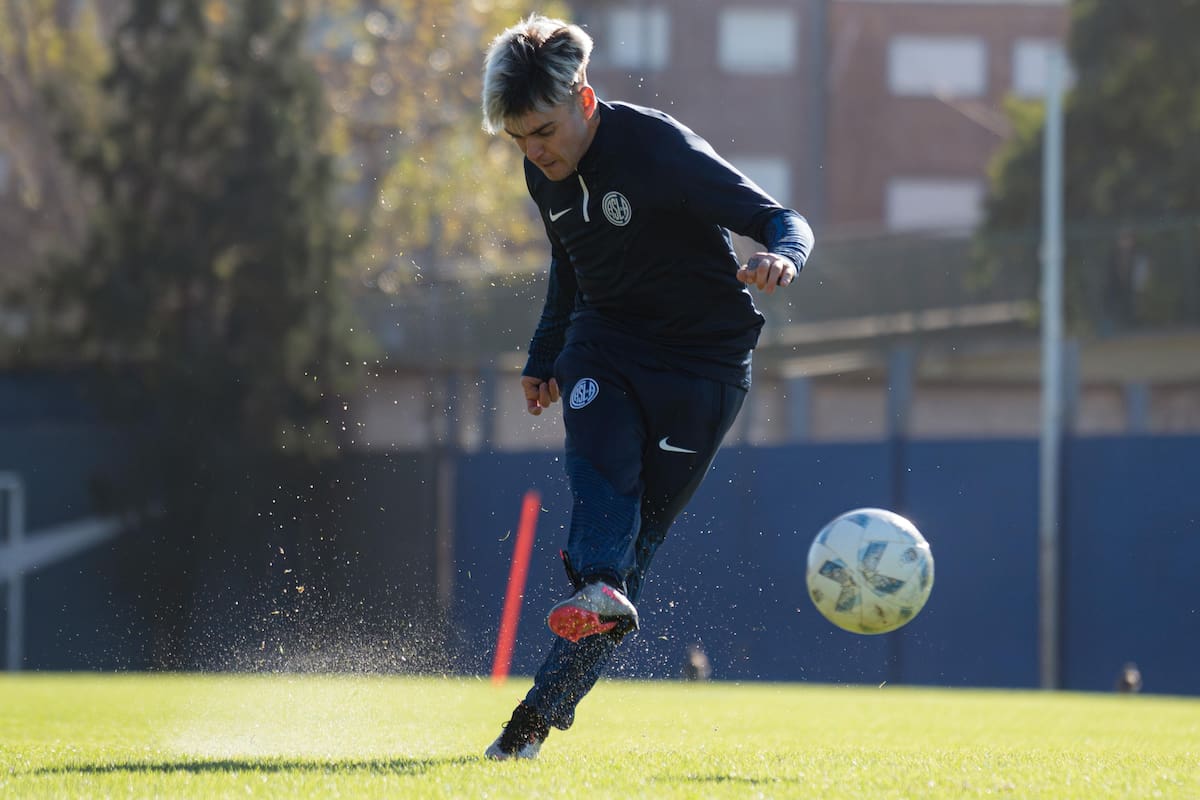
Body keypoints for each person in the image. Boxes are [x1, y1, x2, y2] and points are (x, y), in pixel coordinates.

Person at [479, 14, 814, 760]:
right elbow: (571, 261)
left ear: (585, 101)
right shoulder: (543, 167)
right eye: (519, 141)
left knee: (629, 568)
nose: (534, 153)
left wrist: (782, 257)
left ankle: (530, 725)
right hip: (608, 341)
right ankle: (596, 584)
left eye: (542, 132)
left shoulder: (660, 147)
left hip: (704, 364)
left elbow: (777, 215)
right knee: (601, 498)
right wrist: (543, 355)